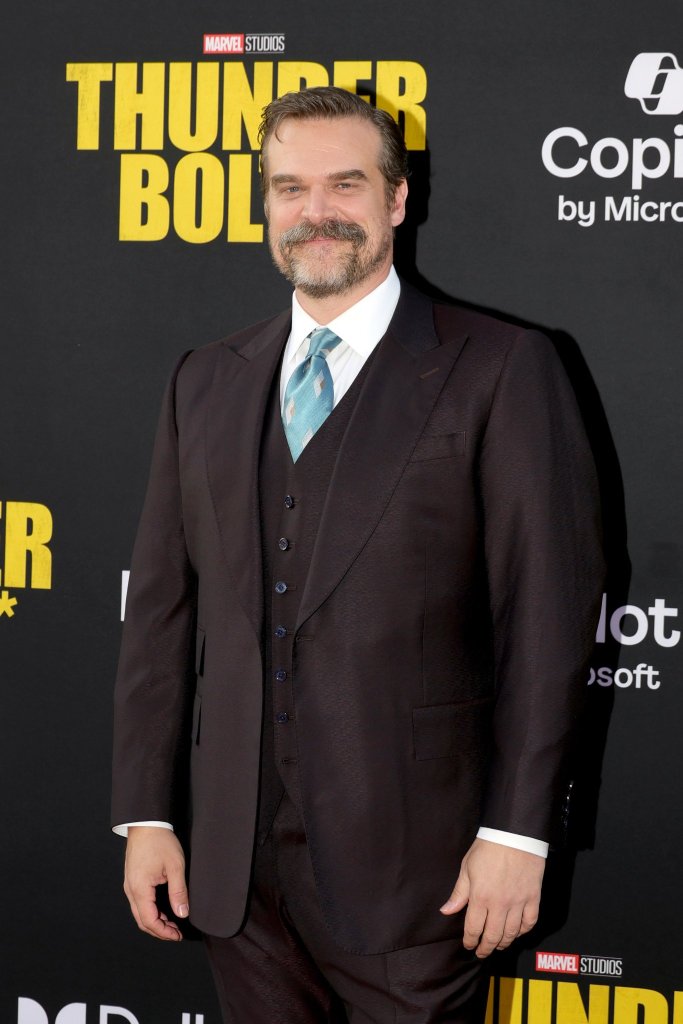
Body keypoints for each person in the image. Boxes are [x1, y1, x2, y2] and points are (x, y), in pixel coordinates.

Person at [112, 86, 605, 1023]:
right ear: (265, 204)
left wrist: (517, 834)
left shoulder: (501, 366)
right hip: (235, 872)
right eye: (289, 188)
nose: (316, 212)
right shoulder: (204, 379)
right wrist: (147, 814)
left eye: (345, 184)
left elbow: (545, 617)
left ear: (396, 199)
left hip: (421, 872)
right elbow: (161, 619)